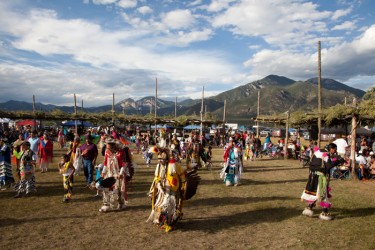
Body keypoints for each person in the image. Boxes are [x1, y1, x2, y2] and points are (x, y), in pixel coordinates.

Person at [301, 143, 345, 220]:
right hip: (321, 178)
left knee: (314, 192)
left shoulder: (317, 152)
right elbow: (329, 166)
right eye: (334, 150)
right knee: (323, 194)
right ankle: (324, 213)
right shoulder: (325, 155)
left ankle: (309, 208)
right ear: (331, 148)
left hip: (312, 176)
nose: (334, 152)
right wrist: (338, 161)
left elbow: (314, 163)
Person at [147, 148, 187, 232]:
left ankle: (169, 222)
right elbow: (156, 178)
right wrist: (156, 186)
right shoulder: (159, 167)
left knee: (169, 206)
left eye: (162, 159)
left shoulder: (174, 165)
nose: (161, 161)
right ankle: (161, 220)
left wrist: (183, 185)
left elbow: (182, 174)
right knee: (159, 205)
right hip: (162, 190)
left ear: (166, 158)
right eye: (159, 159)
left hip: (173, 190)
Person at [99, 138, 126, 212]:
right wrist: (103, 172)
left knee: (117, 190)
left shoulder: (120, 152)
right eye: (107, 147)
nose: (107, 148)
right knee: (106, 188)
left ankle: (121, 203)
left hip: (117, 174)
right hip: (109, 173)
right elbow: (105, 162)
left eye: (109, 147)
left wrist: (120, 173)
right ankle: (106, 205)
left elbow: (124, 164)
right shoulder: (107, 152)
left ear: (113, 146)